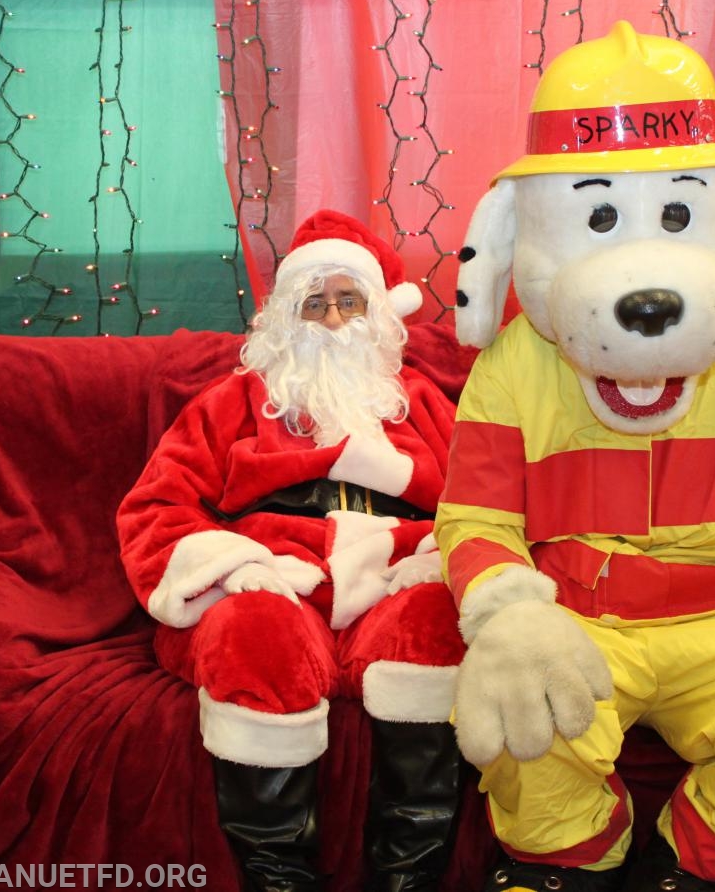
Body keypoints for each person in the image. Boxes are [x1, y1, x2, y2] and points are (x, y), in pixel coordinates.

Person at [435, 22, 715, 892]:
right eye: (598, 217)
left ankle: (697, 866)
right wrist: (512, 615)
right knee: (524, 715)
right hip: (579, 617)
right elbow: (476, 516)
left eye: (679, 214)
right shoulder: (511, 364)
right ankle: (578, 862)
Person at [117, 209, 466, 892]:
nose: (334, 320)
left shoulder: (420, 402)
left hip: (398, 572)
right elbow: (156, 506)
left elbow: (481, 501)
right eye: (314, 303)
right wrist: (234, 567)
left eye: (349, 300)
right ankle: (278, 877)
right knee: (256, 632)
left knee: (434, 626)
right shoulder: (237, 400)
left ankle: (409, 875)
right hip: (279, 575)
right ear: (285, 318)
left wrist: (437, 555)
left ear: (378, 314)